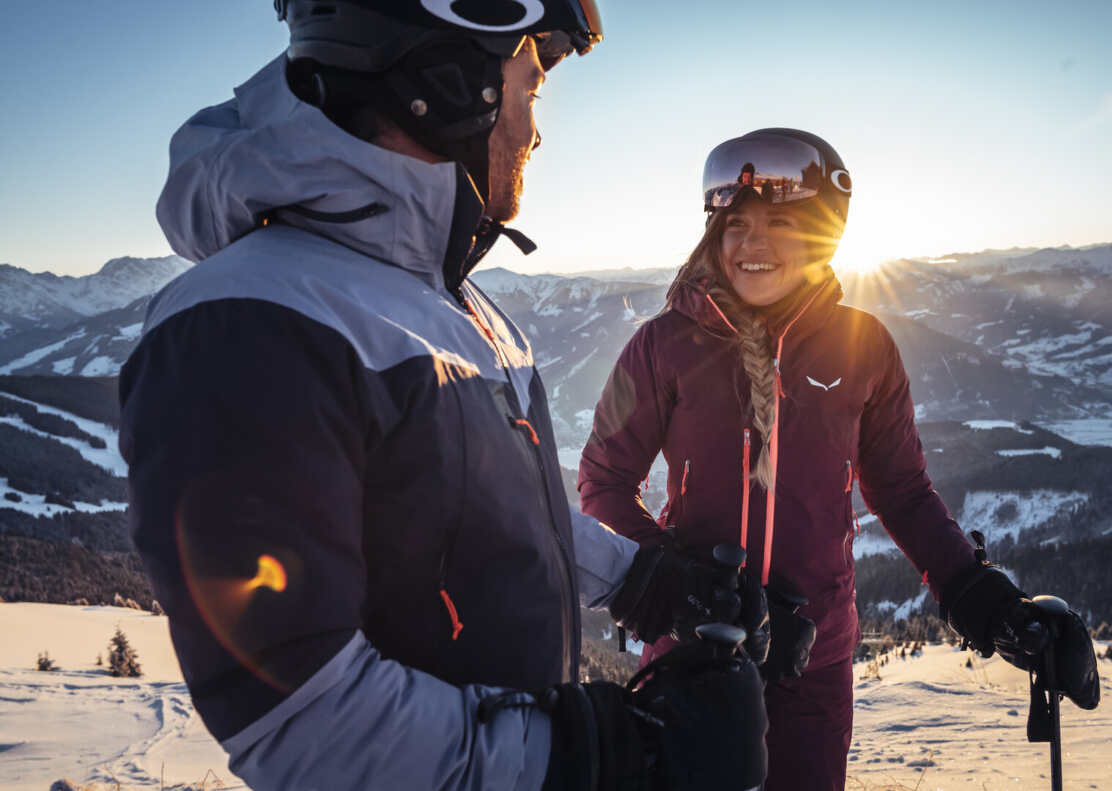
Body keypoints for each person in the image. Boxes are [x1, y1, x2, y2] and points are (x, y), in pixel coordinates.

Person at [119, 4, 770, 790]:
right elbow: (300, 716)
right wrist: (600, 756)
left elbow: (495, 510)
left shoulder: (461, 310)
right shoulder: (249, 324)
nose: (535, 133)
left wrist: (644, 578)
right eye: (528, 92)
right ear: (447, 86)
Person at [578, 128, 1100, 790]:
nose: (751, 242)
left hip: (812, 660)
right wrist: (669, 582)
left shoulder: (864, 346)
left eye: (779, 222)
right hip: (691, 650)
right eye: (735, 224)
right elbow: (603, 480)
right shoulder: (659, 346)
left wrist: (976, 593)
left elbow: (902, 491)